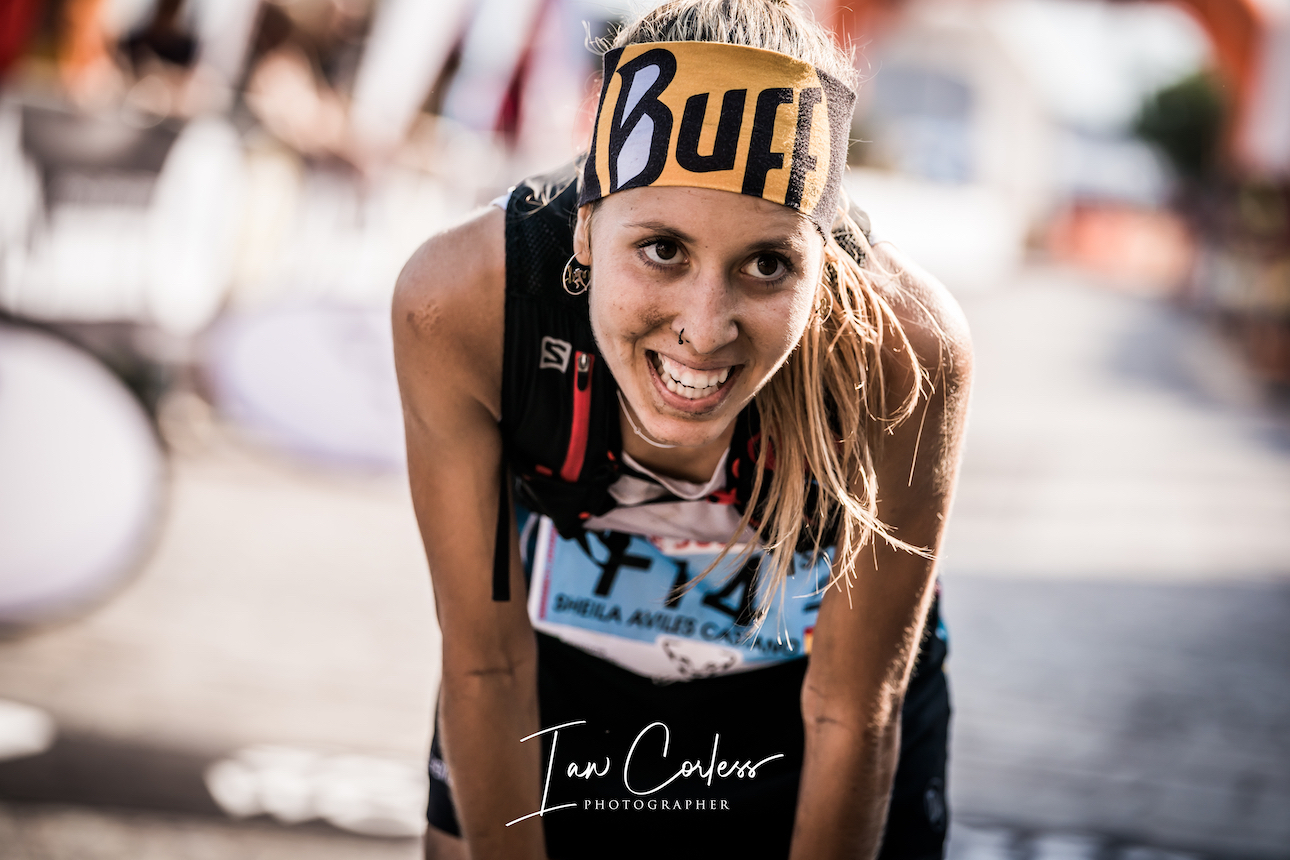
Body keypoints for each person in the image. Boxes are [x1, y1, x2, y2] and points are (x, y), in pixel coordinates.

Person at [392, 1, 972, 858]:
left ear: (823, 265)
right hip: (552, 663)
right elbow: (487, 665)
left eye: (768, 263)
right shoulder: (463, 299)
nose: (704, 329)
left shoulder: (905, 350)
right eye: (662, 249)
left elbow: (850, 710)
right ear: (586, 226)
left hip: (816, 691)